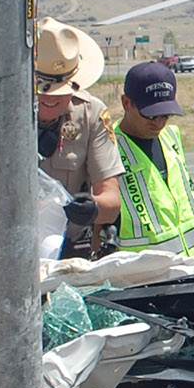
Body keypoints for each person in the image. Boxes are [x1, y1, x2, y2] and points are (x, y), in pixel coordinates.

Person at [111, 60, 194, 269]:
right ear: (126, 103)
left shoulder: (171, 137)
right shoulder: (109, 148)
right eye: (149, 114)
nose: (158, 123)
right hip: (146, 279)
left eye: (165, 115)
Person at [35, 18, 121, 257]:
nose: (50, 99)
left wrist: (91, 209)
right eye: (41, 92)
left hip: (66, 250)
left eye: (61, 92)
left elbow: (111, 203)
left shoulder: (90, 113)